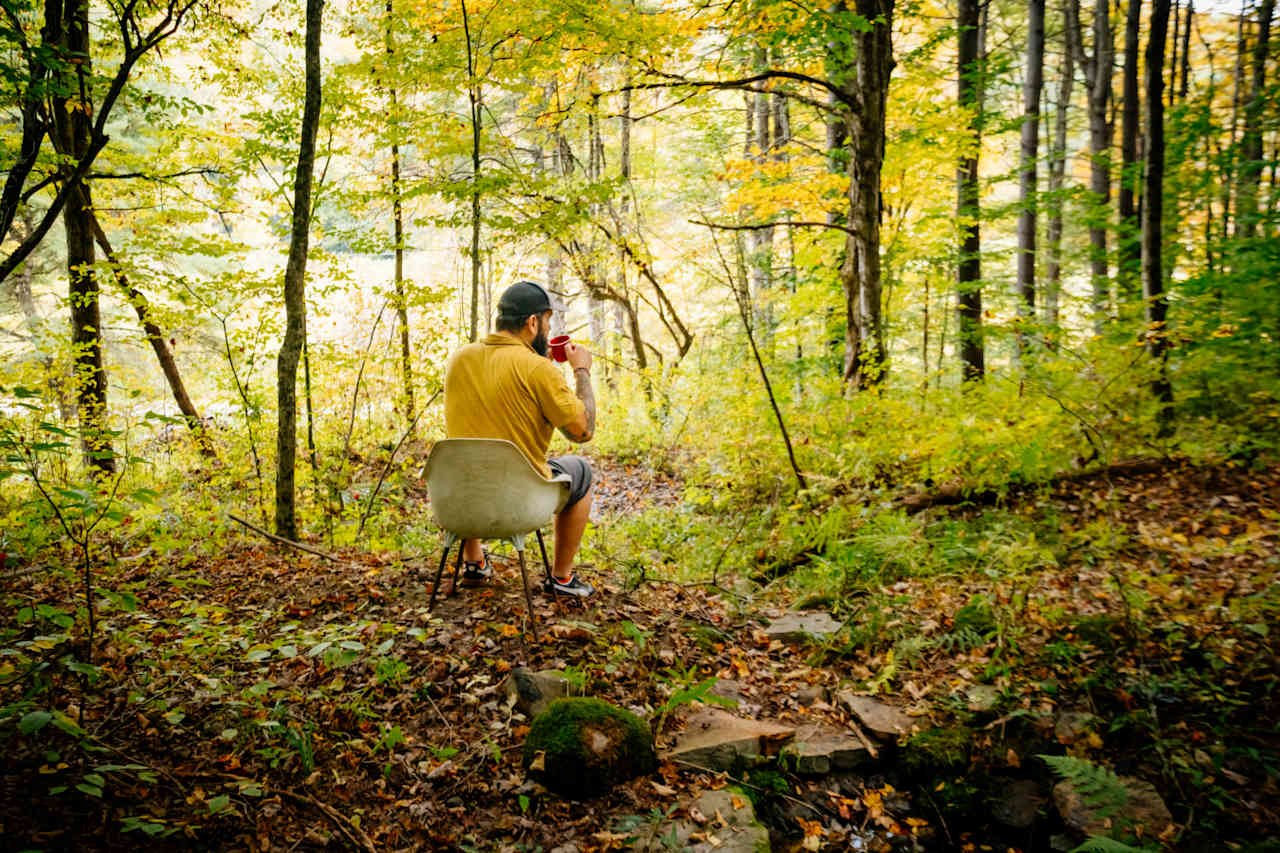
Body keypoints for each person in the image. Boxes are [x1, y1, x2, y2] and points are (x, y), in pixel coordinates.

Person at [442, 280, 597, 598]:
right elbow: (582, 432)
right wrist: (581, 370)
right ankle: (562, 579)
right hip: (518, 504)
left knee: (470, 454)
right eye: (548, 322)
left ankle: (474, 561)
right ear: (532, 322)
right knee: (580, 470)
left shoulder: (459, 359)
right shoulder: (539, 370)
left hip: (459, 501)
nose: (548, 329)